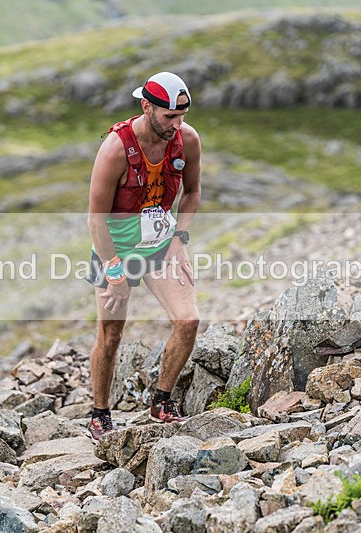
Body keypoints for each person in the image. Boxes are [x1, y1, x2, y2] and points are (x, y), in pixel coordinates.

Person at [85, 72, 202, 440]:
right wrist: (115, 273)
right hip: (115, 249)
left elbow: (192, 192)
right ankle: (99, 414)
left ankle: (162, 402)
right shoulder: (115, 149)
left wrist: (179, 239)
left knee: (188, 321)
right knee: (111, 335)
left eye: (182, 116)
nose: (177, 125)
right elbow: (95, 220)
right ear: (146, 106)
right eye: (170, 116)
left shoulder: (187, 140)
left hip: (160, 244)